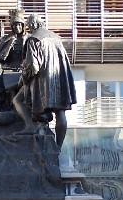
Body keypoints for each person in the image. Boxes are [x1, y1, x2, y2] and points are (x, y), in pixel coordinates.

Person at [12, 15, 77, 148]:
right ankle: (58, 147)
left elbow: (33, 67)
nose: (28, 28)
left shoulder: (34, 39)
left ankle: (30, 127)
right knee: (60, 112)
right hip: (59, 80)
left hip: (41, 82)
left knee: (17, 100)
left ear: (33, 25)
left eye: (29, 26)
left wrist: (22, 79)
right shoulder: (57, 38)